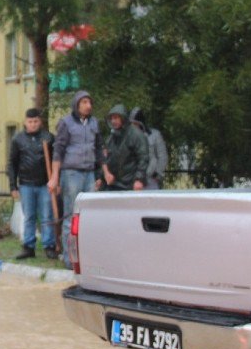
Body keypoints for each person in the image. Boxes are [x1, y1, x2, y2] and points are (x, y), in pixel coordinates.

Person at [48, 91, 108, 269]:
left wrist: (102, 173)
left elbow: (99, 150)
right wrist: (54, 177)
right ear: (76, 104)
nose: (88, 105)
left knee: (88, 216)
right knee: (71, 216)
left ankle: (86, 258)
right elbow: (58, 151)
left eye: (89, 102)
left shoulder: (94, 123)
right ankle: (70, 259)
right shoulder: (66, 123)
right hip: (71, 173)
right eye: (84, 102)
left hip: (89, 172)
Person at [8, 108, 56, 260]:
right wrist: (12, 186)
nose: (33, 124)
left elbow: (56, 161)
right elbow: (12, 163)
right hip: (26, 184)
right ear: (25, 122)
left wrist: (56, 181)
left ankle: (49, 246)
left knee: (47, 216)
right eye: (30, 122)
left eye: (36, 121)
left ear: (40, 122)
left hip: (45, 185)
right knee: (29, 216)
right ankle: (28, 247)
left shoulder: (48, 138)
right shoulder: (18, 140)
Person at [103, 104, 149, 191]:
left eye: (116, 118)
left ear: (123, 118)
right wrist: (103, 176)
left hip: (131, 184)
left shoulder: (136, 134)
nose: (113, 121)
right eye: (111, 118)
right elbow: (105, 158)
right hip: (113, 184)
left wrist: (139, 179)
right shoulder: (111, 137)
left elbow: (143, 157)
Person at [130, 107, 169, 189]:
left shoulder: (155, 135)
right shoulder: (128, 137)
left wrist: (158, 174)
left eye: (135, 123)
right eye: (131, 123)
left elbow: (162, 156)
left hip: (151, 179)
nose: (133, 126)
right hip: (133, 180)